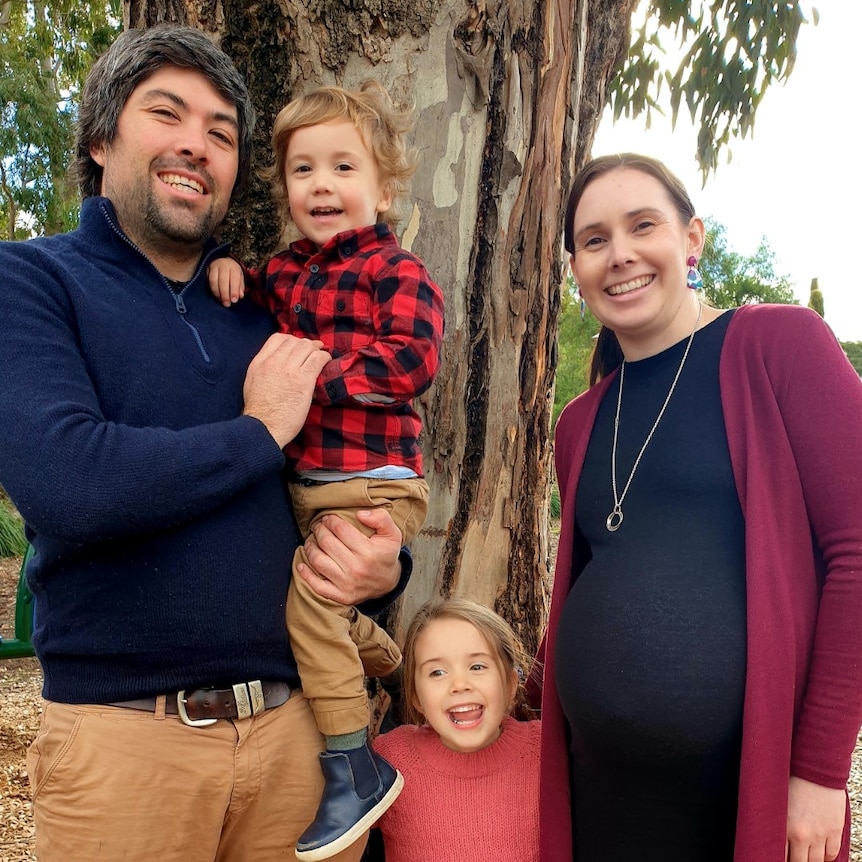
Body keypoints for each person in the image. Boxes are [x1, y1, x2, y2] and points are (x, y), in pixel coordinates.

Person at [0, 25, 413, 862]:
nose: (197, 143)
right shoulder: (32, 281)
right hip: (127, 747)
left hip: (302, 744)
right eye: (167, 113)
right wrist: (258, 429)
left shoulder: (274, 310)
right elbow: (69, 483)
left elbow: (339, 465)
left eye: (222, 132)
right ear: (100, 137)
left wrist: (383, 566)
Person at [538, 152, 862, 862]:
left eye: (641, 225)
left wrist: (819, 772)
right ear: (575, 268)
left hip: (738, 800)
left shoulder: (779, 347)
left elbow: (857, 556)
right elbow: (597, 581)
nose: (619, 254)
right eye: (593, 240)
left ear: (692, 240)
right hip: (601, 799)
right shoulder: (580, 422)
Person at [208, 80, 444, 860]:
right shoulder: (283, 272)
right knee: (311, 605)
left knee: (311, 611)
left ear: (383, 186)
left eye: (344, 168)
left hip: (374, 479)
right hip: (311, 484)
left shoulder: (395, 271)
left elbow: (409, 362)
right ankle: (385, 657)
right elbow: (247, 311)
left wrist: (313, 381)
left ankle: (352, 765)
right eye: (303, 170)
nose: (322, 185)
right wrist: (227, 273)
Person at [369, 597, 540, 861]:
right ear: (416, 697)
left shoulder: (546, 753)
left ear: (509, 684)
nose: (459, 684)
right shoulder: (391, 760)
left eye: (477, 666)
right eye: (437, 672)